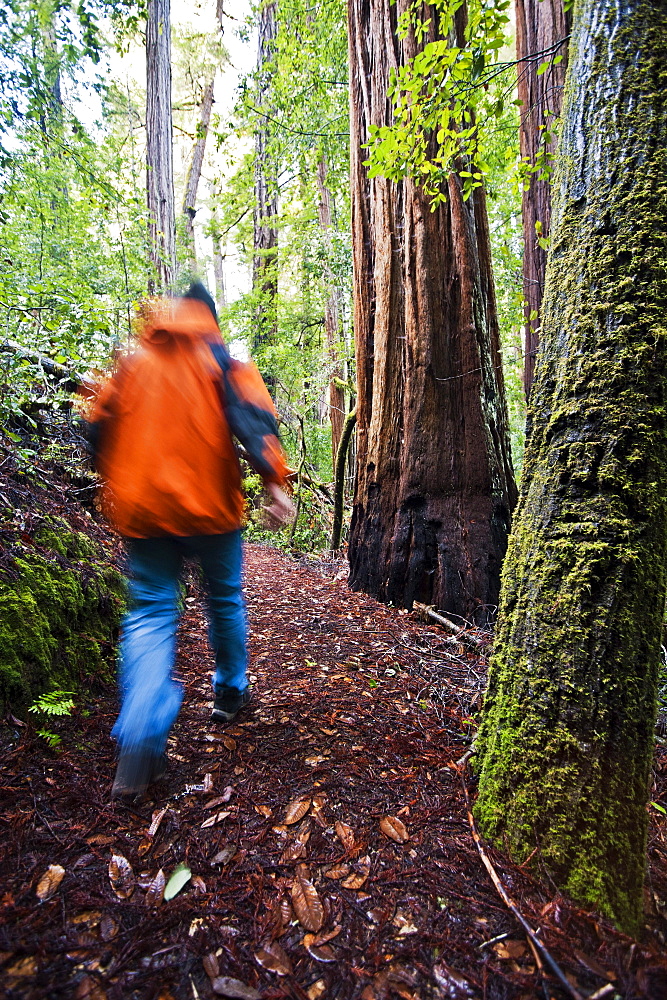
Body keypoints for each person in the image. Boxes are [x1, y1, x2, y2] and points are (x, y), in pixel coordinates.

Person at [88, 283, 294, 801]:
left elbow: (95, 427)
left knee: (152, 610)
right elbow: (253, 421)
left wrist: (118, 481)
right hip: (210, 508)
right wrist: (275, 483)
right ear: (210, 318)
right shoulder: (220, 361)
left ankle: (139, 732)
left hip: (144, 510)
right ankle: (229, 692)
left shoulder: (134, 363)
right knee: (223, 598)